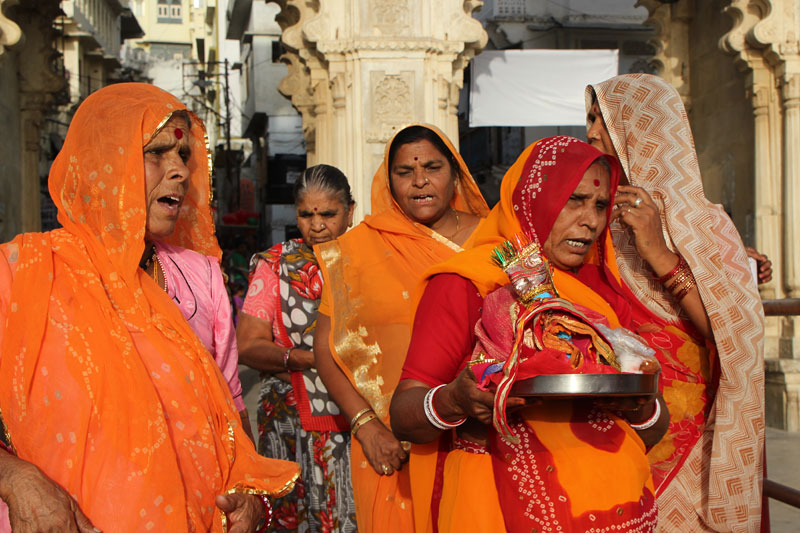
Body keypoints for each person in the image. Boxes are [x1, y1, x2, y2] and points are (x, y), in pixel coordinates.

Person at [0, 83, 298, 532]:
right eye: (157, 152)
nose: (179, 170)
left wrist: (251, 497)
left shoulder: (200, 276)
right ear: (105, 161)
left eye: (184, 155)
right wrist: (16, 480)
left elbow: (232, 416)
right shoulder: (19, 273)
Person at [391, 136, 668, 532]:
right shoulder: (468, 283)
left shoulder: (600, 292)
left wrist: (639, 399)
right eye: (573, 200)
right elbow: (404, 415)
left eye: (600, 205)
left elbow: (655, 427)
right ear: (533, 200)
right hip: (497, 507)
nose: (590, 220)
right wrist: (454, 399)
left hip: (611, 506)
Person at [586, 73, 765, 530]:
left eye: (601, 119)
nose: (589, 133)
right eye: (588, 119)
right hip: (615, 417)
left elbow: (728, 333)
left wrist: (658, 252)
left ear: (640, 127)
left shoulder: (706, 224)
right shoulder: (593, 217)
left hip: (687, 433)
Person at [312, 124, 489, 532]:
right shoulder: (356, 249)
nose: (420, 181)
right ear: (388, 180)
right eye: (404, 172)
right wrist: (366, 426)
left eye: (432, 167)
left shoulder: (492, 239)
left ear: (456, 174)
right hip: (390, 443)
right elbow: (326, 348)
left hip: (479, 433)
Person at [236, 164, 357, 532]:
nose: (316, 225)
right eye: (306, 214)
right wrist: (301, 359)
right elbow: (248, 344)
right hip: (289, 420)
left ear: (349, 211)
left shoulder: (368, 259)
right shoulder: (276, 265)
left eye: (328, 214)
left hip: (356, 415)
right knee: (294, 515)